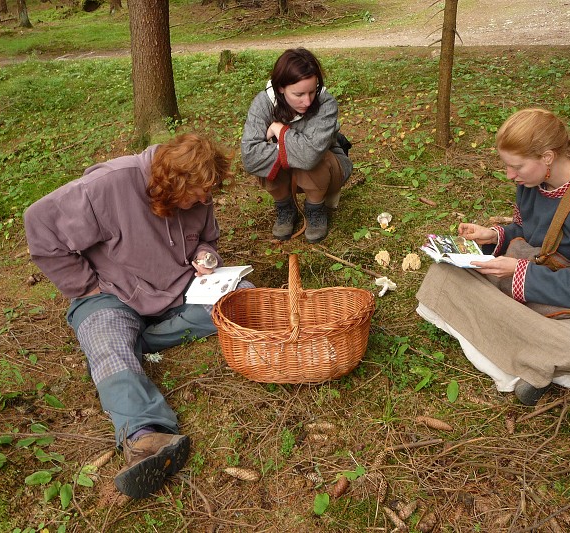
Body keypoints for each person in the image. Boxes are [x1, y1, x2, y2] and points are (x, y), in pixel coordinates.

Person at [24, 133, 240, 498]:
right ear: (170, 183)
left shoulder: (200, 191)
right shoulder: (109, 184)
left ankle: (135, 342)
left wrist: (207, 256)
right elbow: (39, 224)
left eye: (209, 193)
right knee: (108, 344)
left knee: (241, 301)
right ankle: (146, 436)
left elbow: (206, 237)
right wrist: (86, 286)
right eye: (198, 194)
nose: (205, 200)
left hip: (178, 290)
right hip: (111, 295)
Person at [416, 108, 570, 406]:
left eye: (517, 166)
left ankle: (511, 352)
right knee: (442, 274)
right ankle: (533, 364)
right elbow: (527, 233)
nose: (510, 175)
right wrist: (495, 236)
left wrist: (518, 270)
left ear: (547, 157)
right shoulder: (530, 183)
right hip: (535, 292)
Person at [241, 47, 352, 243]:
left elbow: (309, 156)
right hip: (288, 172)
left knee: (312, 157)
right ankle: (285, 207)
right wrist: (286, 148)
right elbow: (250, 157)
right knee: (276, 159)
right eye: (299, 94)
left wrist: (279, 131)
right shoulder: (263, 104)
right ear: (281, 87)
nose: (307, 101)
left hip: (329, 168)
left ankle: (315, 209)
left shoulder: (325, 103)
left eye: (312, 91)